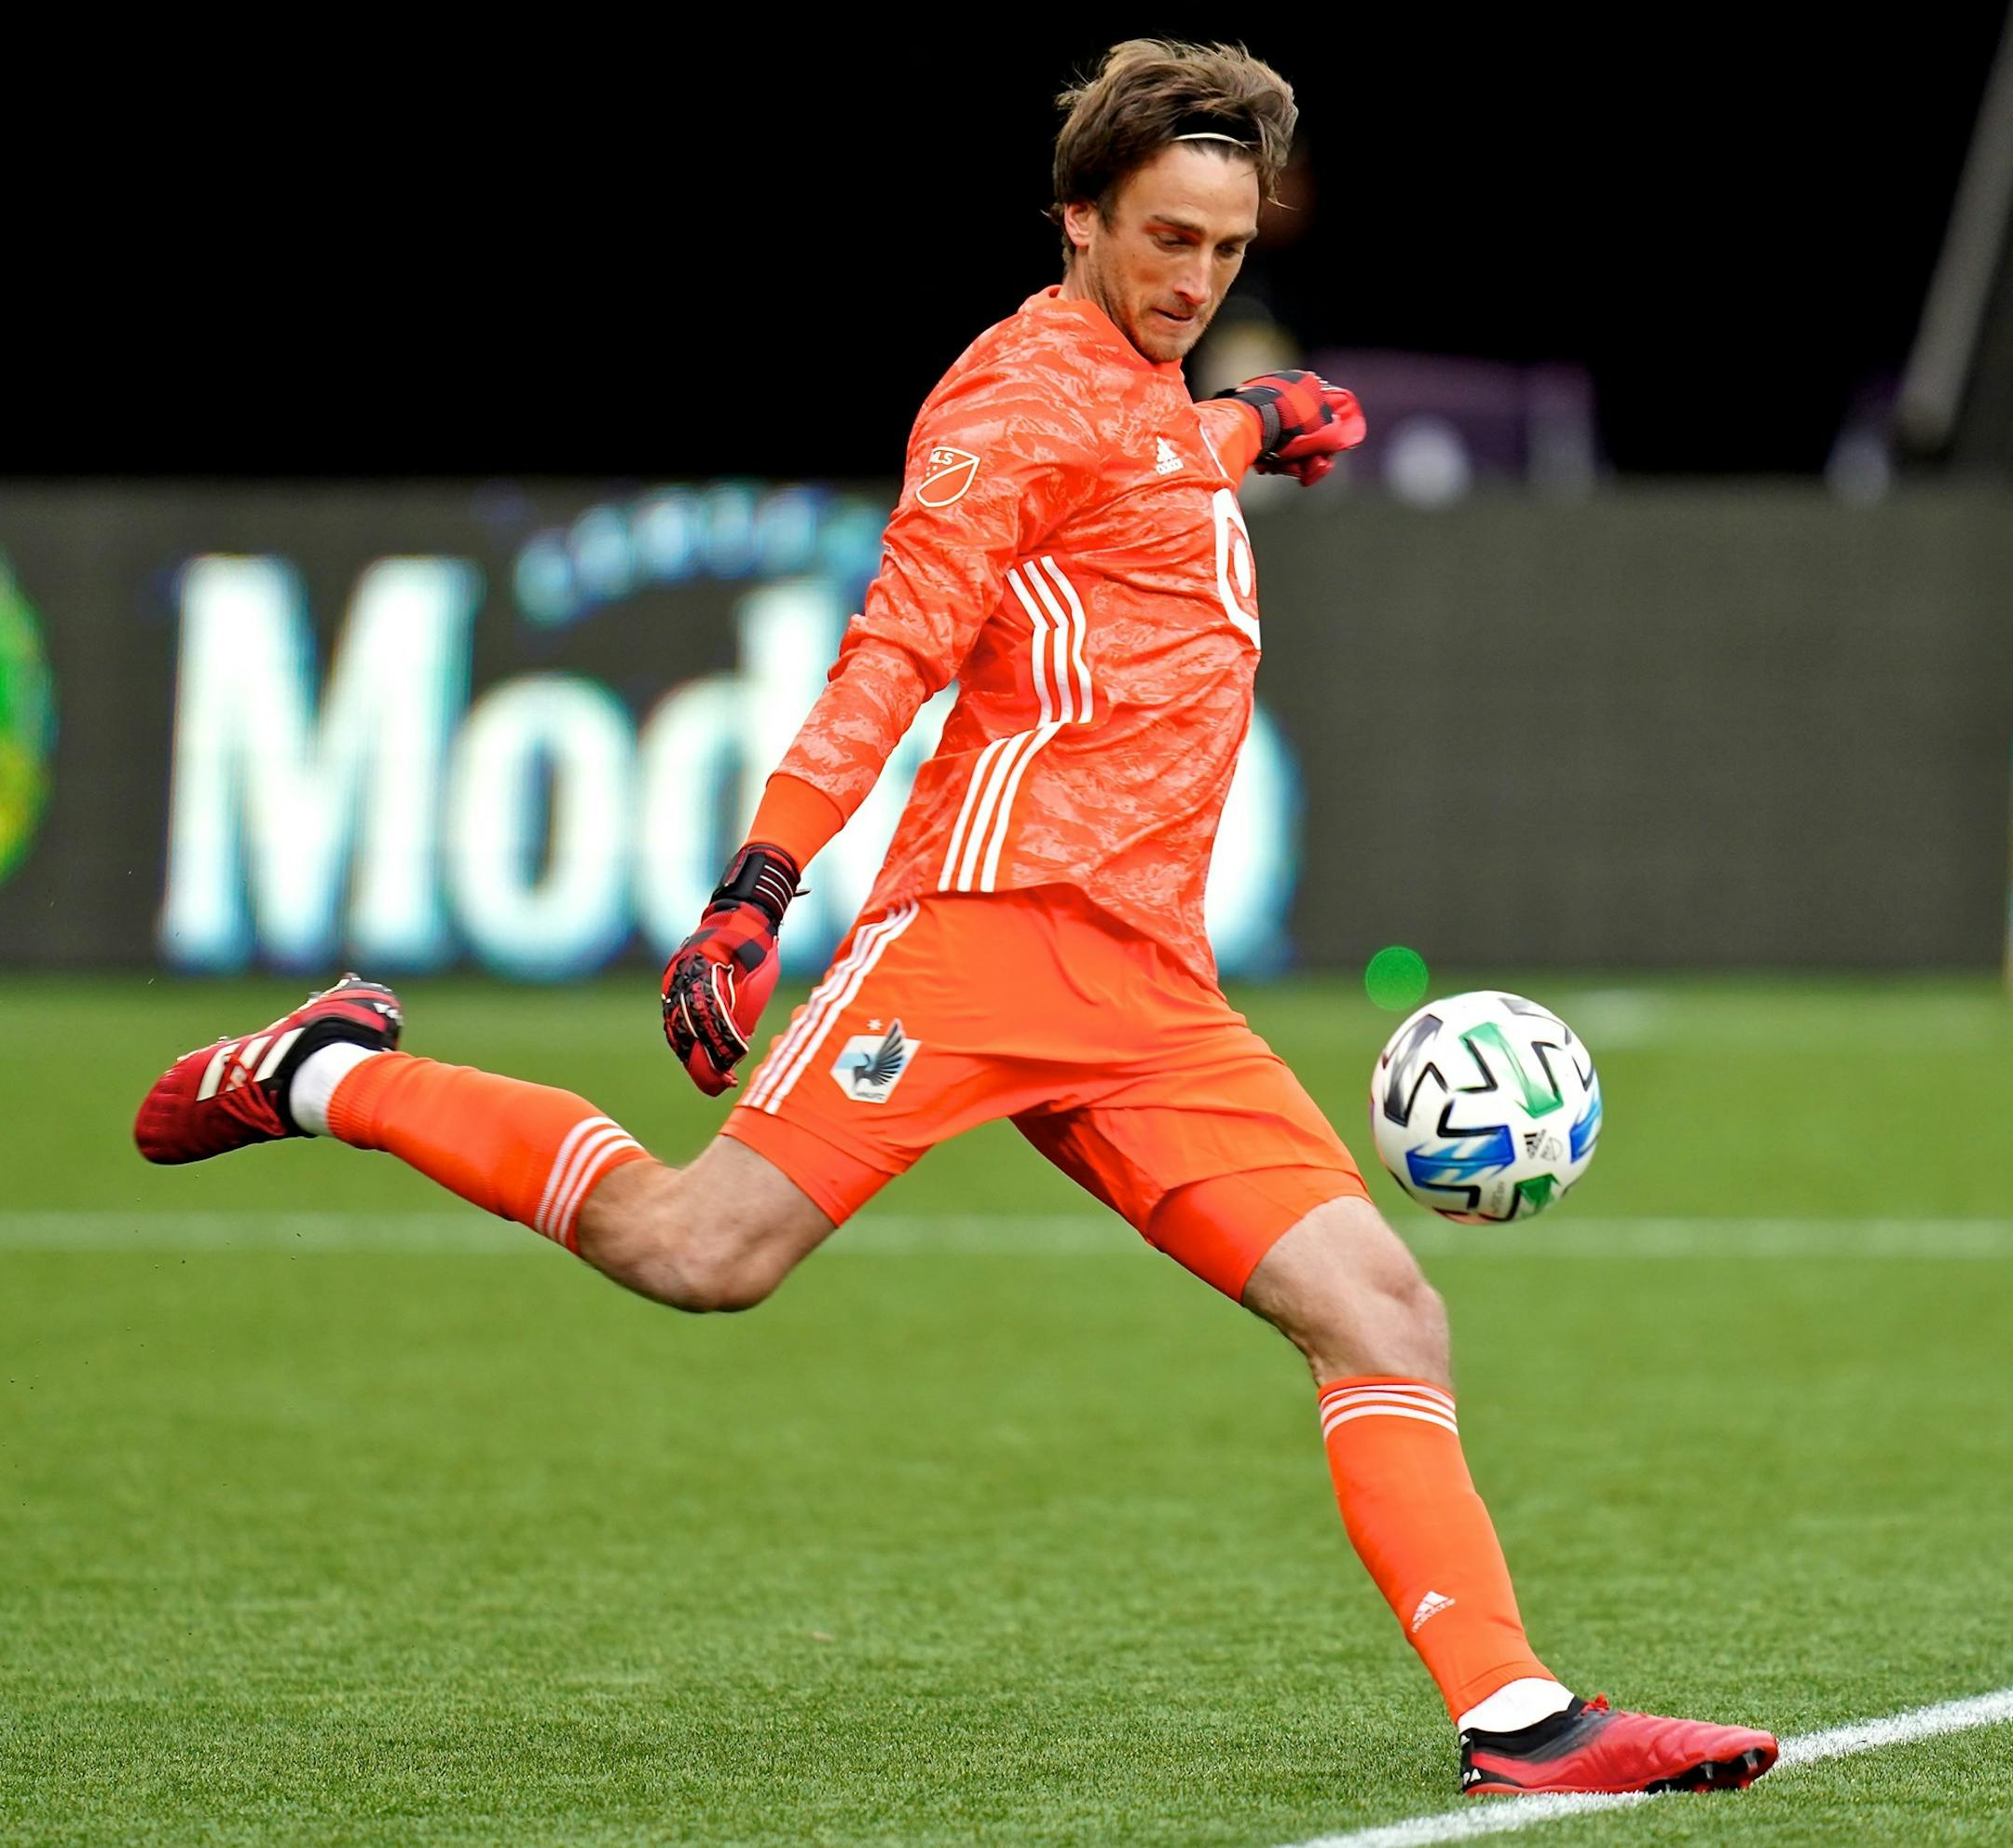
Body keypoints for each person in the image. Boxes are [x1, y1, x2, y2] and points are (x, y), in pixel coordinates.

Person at [135, 38, 1776, 1800]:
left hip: (1149, 982)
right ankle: (321, 1074)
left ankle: (1515, 1717)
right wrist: (758, 890)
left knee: (1383, 1311)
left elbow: (1139, 471)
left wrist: (1244, 425)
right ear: (1077, 219)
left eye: (1227, 250)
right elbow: (899, 646)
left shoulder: (1151, 394)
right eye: (1165, 242)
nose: (1196, 282)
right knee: (704, 1255)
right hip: (985, 932)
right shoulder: (1004, 403)